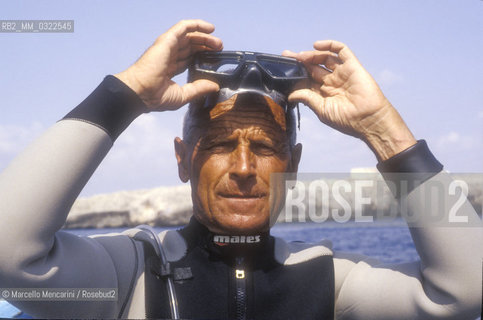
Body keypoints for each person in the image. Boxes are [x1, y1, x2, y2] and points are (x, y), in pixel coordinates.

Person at [0, 19, 481, 319]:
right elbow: (7, 257)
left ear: (292, 167)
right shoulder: (132, 272)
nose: (245, 168)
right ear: (184, 159)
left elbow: (467, 293)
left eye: (267, 148)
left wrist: (383, 130)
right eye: (220, 144)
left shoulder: (327, 281)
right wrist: (126, 95)